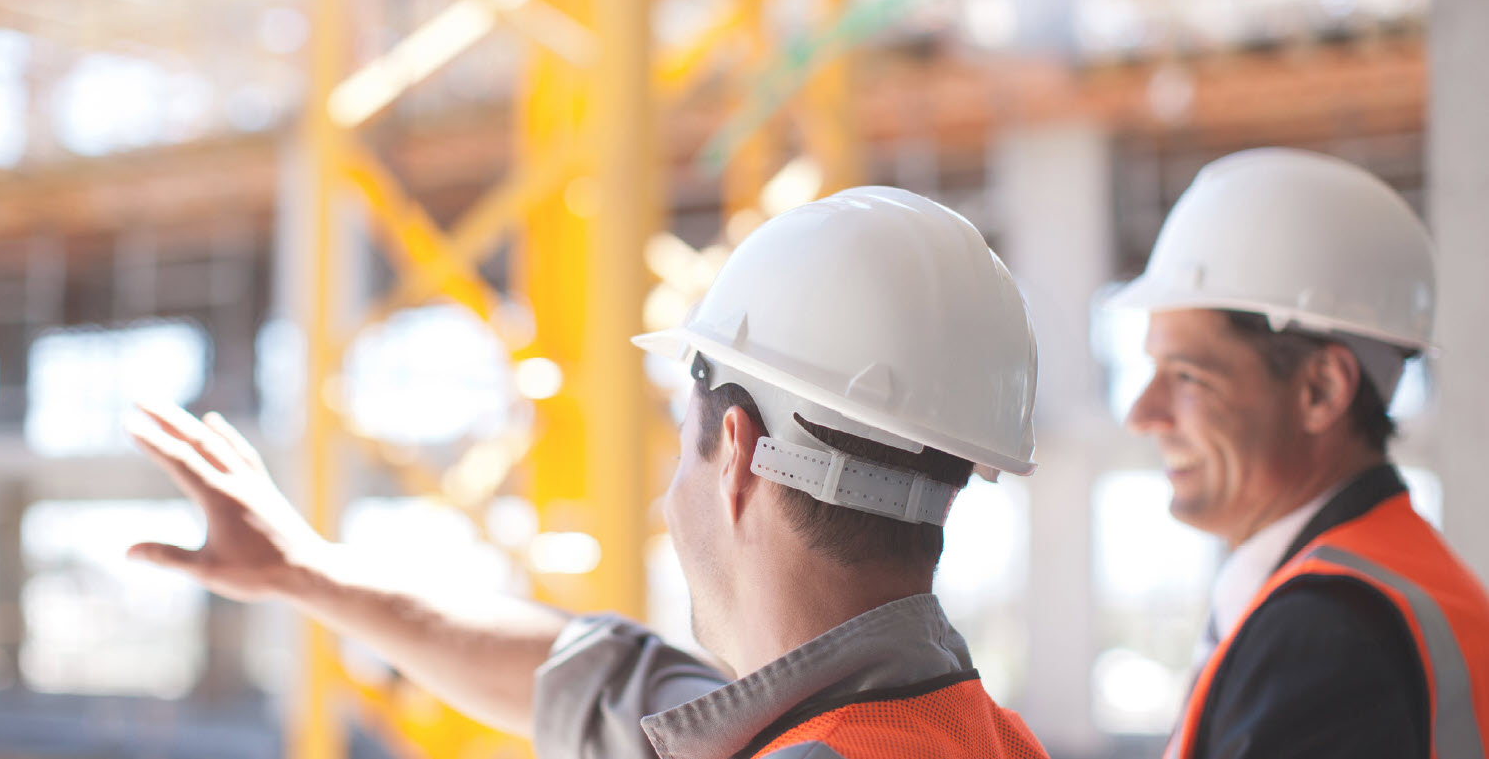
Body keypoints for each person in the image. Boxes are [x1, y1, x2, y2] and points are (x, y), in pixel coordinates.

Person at [127, 186, 1051, 759]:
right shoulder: (968, 732)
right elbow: (588, 677)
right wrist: (305, 569)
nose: (669, 496)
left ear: (735, 453)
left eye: (680, 446)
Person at [1106, 147, 1489, 759]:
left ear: (1322, 390)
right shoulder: (1398, 585)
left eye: (1187, 376)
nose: (1141, 414)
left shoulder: (1329, 631)